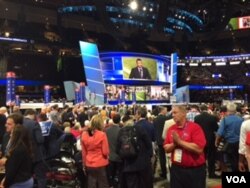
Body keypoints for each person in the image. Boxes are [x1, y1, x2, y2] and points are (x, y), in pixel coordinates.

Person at [164, 105, 206, 188]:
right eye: (172, 113)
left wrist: (179, 142)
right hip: (177, 170)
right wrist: (174, 144)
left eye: (175, 113)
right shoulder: (171, 129)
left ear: (183, 113)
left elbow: (199, 149)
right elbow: (166, 148)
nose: (173, 115)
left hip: (194, 171)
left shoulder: (195, 127)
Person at [81, 114, 110, 188]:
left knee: (91, 183)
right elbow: (105, 151)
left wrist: (84, 165)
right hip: (100, 163)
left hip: (89, 163)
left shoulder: (84, 134)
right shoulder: (102, 134)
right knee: (102, 184)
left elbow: (84, 153)